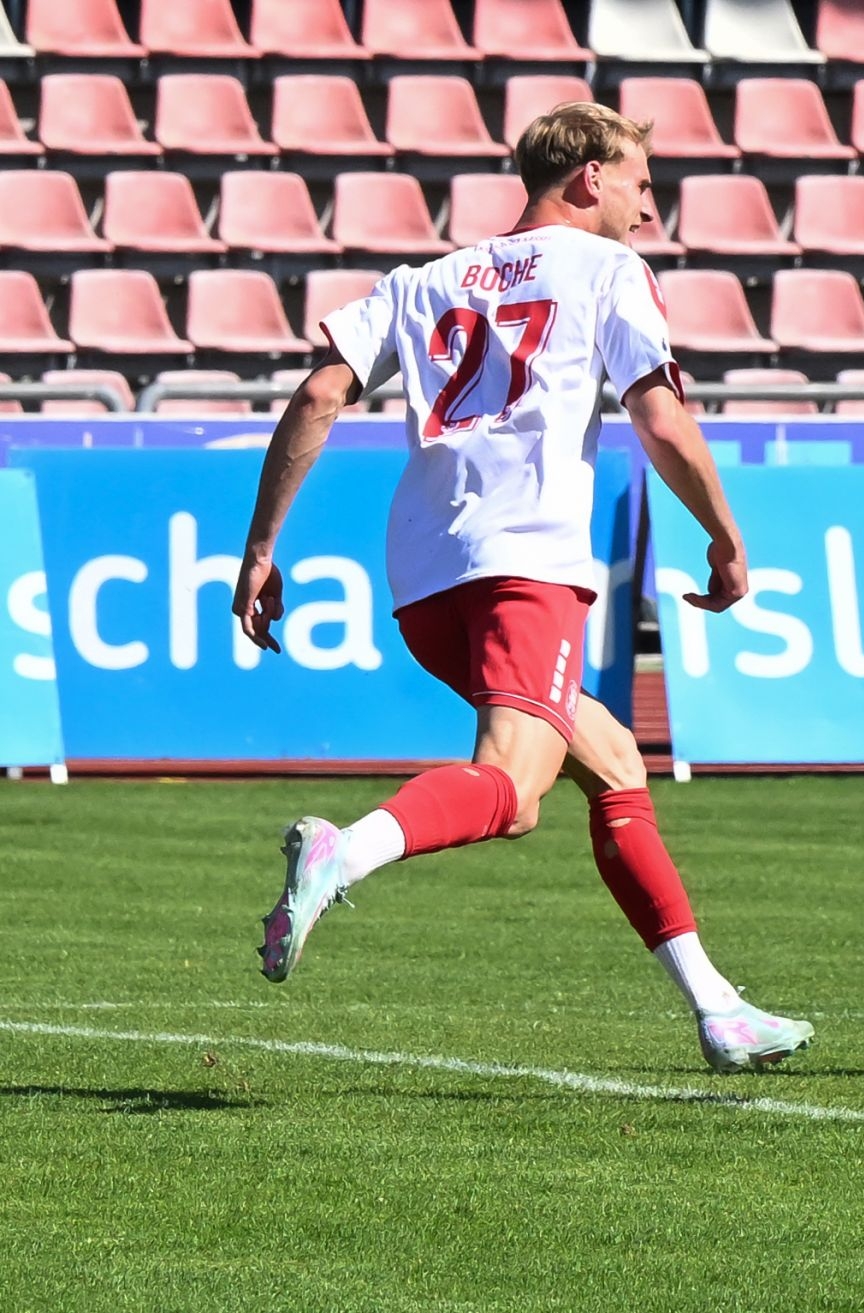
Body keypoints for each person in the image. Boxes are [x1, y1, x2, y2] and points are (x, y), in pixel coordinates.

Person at [231, 102, 812, 1075]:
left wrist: (260, 547)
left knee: (614, 763)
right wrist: (724, 533)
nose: (648, 210)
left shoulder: (424, 280)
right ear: (590, 176)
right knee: (509, 789)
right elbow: (659, 416)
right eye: (640, 185)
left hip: (425, 580)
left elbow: (320, 392)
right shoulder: (608, 269)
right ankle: (345, 849)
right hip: (527, 562)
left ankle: (718, 1007)